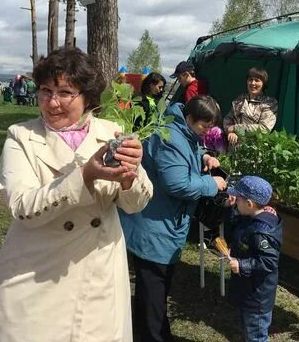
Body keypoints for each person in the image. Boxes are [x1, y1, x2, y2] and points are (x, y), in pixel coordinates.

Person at [0, 47, 153, 342]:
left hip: (97, 277)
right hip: (35, 275)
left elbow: (135, 205)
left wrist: (131, 175)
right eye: (45, 90)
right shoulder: (21, 137)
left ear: (87, 96)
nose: (52, 102)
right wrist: (85, 176)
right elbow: (22, 207)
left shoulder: (112, 133)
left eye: (65, 92)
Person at [120, 95, 227, 342]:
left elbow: (192, 144)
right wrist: (211, 183)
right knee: (154, 285)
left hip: (163, 220)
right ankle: (153, 335)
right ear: (189, 118)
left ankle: (149, 330)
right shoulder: (170, 139)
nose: (206, 131)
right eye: (204, 126)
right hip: (154, 223)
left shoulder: (180, 128)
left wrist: (203, 156)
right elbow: (177, 184)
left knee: (154, 285)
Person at [226, 175, 282, 342]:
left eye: (238, 199)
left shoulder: (261, 231)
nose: (235, 201)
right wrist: (230, 209)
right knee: (248, 331)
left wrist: (242, 265)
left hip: (257, 298)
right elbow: (235, 228)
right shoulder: (250, 217)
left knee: (256, 335)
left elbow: (268, 261)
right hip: (248, 291)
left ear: (249, 204)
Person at [223, 67, 279, 146]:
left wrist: (236, 128)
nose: (253, 83)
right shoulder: (240, 99)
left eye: (257, 80)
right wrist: (230, 132)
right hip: (234, 148)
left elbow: (264, 129)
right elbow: (228, 119)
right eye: (250, 79)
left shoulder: (270, 103)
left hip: (254, 149)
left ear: (263, 83)